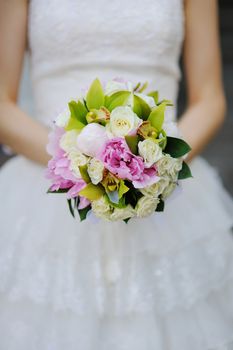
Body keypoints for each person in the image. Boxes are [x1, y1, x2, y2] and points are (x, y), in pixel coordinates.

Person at [0, 0, 233, 349]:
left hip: (161, 189)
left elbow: (210, 98)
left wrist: (159, 166)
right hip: (46, 189)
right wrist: (78, 164)